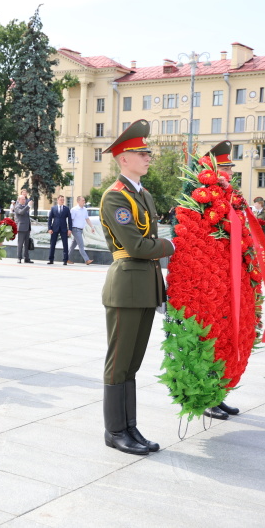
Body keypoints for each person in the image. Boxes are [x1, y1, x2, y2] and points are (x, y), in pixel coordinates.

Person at [99, 120, 174, 455]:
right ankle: (115, 430)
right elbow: (137, 247)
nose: (148, 157)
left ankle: (130, 428)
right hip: (126, 285)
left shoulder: (142, 194)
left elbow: (148, 244)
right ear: (123, 158)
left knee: (132, 364)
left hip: (144, 287)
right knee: (118, 363)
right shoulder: (115, 198)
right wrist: (172, 246)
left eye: (147, 152)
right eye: (141, 152)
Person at [200, 141, 241, 421]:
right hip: (208, 280)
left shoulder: (229, 196)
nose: (229, 173)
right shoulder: (202, 197)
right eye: (224, 168)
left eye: (229, 168)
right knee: (210, 339)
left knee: (226, 338)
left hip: (228, 277)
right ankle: (207, 397)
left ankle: (220, 394)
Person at [68, 195, 96, 265]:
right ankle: (87, 260)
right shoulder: (74, 210)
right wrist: (69, 229)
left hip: (81, 230)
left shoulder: (85, 209)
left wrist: (92, 227)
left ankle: (66, 258)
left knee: (73, 246)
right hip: (75, 229)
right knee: (81, 245)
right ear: (78, 201)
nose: (84, 201)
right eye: (83, 200)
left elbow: (87, 219)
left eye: (84, 200)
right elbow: (70, 220)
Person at [47, 195, 72, 265]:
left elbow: (69, 219)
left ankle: (65, 260)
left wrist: (70, 229)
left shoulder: (66, 209)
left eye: (63, 200)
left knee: (65, 244)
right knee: (52, 244)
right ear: (57, 200)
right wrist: (49, 228)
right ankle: (51, 259)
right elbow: (49, 219)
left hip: (64, 228)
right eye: (61, 199)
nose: (62, 201)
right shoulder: (53, 208)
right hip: (54, 228)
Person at [12, 194, 33, 264]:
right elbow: (21, 212)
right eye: (23, 199)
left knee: (27, 244)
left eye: (25, 199)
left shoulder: (25, 207)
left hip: (27, 228)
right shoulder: (17, 206)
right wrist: (28, 206)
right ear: (19, 200)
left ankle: (26, 258)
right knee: (20, 244)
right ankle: (19, 257)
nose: (24, 200)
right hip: (21, 228)